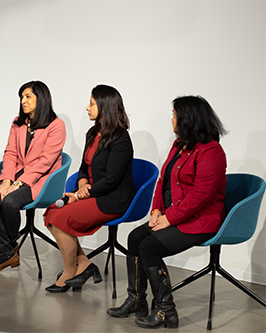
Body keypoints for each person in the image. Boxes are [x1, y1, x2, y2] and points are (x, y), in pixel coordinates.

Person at [107, 96, 227, 329]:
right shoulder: (179, 146)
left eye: (174, 114)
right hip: (174, 215)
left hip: (201, 221)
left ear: (187, 118)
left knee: (149, 247)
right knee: (135, 237)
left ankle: (166, 310)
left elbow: (200, 196)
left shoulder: (212, 152)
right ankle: (136, 300)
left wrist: (169, 218)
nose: (171, 118)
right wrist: (156, 210)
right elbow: (164, 182)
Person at [43, 85, 136, 293]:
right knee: (50, 213)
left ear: (105, 107)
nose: (87, 107)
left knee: (60, 218)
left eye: (92, 103)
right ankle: (84, 264)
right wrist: (83, 182)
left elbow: (112, 180)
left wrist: (79, 194)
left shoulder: (121, 139)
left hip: (111, 198)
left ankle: (69, 272)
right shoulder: (93, 133)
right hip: (91, 193)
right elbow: (84, 166)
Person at [0, 80, 66, 273]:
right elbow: (10, 153)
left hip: (42, 180)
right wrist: (6, 180)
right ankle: (8, 251)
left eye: (28, 96)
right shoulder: (18, 123)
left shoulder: (56, 125)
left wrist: (19, 183)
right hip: (16, 174)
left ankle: (6, 251)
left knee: (10, 202)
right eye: (22, 97)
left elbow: (46, 161)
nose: (23, 101)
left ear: (41, 99)